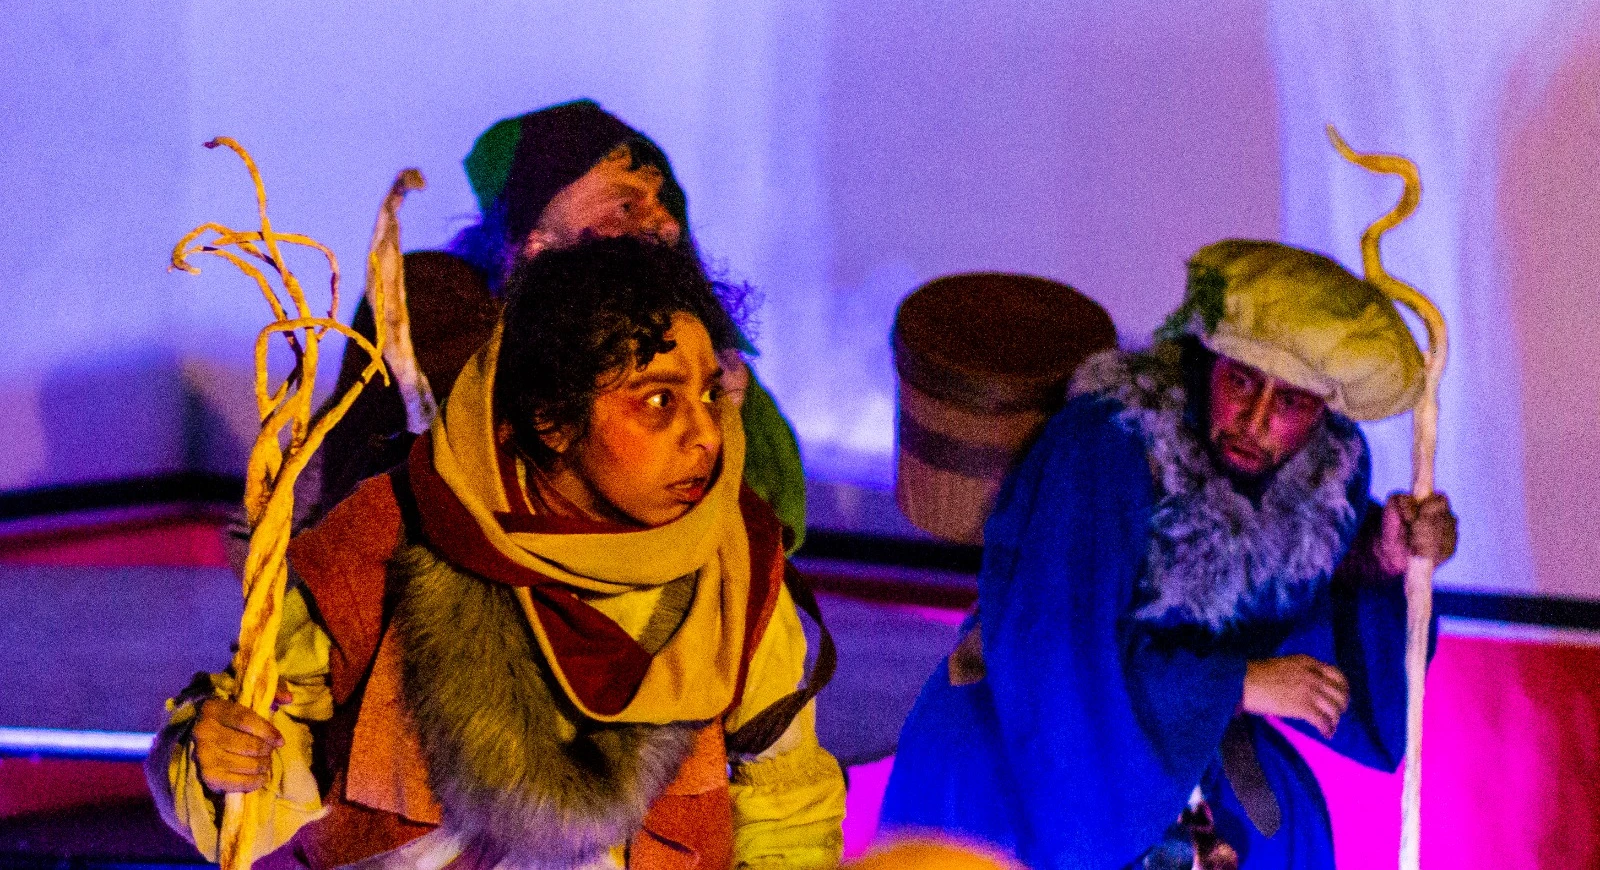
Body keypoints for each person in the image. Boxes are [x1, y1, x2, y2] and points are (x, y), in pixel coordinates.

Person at [148, 237, 846, 869]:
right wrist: (216, 759)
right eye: (659, 401)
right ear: (552, 418)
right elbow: (266, 761)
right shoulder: (389, 537)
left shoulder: (735, 563)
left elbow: (785, 807)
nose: (707, 434)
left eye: (710, 394)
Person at [879, 239, 1459, 869]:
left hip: (1188, 744)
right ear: (1207, 362)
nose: (1254, 420)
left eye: (1290, 402)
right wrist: (1237, 684)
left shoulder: (1315, 482)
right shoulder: (1106, 448)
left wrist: (1382, 556)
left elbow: (1294, 590)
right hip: (1045, 750)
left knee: (1286, 838)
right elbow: (1059, 652)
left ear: (1322, 413)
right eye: (1241, 381)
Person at [314, 99, 809, 552]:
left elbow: (779, 520)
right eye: (626, 205)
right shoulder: (434, 296)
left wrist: (727, 407)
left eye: (665, 202)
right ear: (536, 243)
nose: (666, 224)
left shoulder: (696, 345)